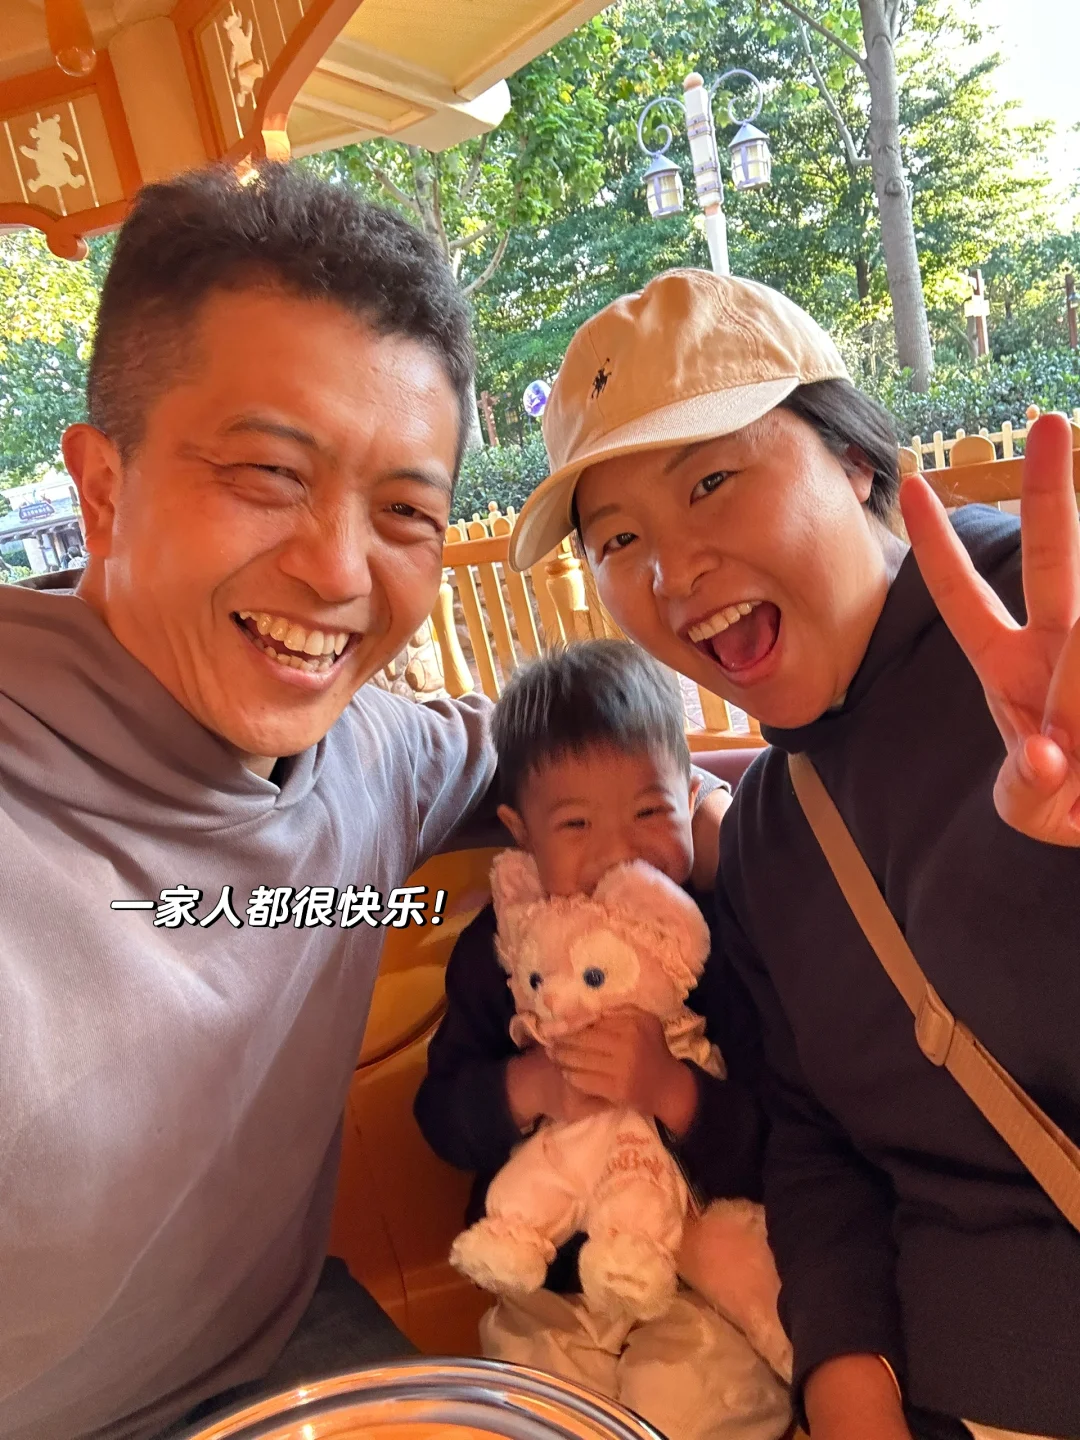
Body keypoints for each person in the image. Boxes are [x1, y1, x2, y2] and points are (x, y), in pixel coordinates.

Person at [1, 168, 730, 1440]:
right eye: (267, 473)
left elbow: (576, 772)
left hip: (275, 1346)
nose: (340, 569)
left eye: (403, 510)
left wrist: (760, 804)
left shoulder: (374, 754)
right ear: (103, 488)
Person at [506, 269, 1080, 1440]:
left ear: (853, 458)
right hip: (965, 1382)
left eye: (711, 481)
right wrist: (846, 1386)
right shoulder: (768, 832)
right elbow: (817, 1143)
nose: (671, 571)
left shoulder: (1045, 626)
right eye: (620, 539)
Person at [415, 640, 791, 1440]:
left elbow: (783, 1135)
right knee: (527, 1413)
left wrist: (673, 1092)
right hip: (547, 1281)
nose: (620, 848)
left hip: (698, 1279)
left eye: (651, 812)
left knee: (690, 1405)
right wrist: (530, 1087)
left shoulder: (720, 937)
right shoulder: (500, 953)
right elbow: (440, 1115)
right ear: (521, 835)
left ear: (691, 795)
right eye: (577, 823)